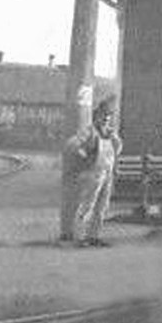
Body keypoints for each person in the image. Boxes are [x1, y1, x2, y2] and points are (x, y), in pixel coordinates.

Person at [64, 98, 123, 248]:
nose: (106, 120)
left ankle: (94, 236)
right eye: (103, 116)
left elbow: (117, 150)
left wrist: (115, 140)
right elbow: (74, 145)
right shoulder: (89, 131)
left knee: (102, 207)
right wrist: (84, 156)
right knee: (87, 206)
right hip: (92, 173)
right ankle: (79, 237)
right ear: (97, 116)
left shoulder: (110, 133)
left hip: (107, 173)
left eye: (108, 117)